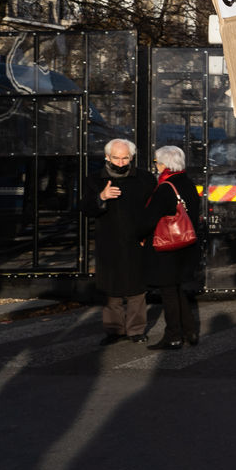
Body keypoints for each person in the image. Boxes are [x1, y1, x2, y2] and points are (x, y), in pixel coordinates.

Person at [82, 138, 154, 344]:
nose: (121, 163)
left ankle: (136, 330)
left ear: (131, 158)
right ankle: (114, 330)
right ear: (107, 157)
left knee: (136, 288)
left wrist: (146, 235)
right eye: (116, 158)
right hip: (109, 242)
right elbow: (85, 209)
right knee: (110, 288)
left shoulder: (145, 179)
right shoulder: (94, 179)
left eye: (125, 159)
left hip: (136, 240)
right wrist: (101, 197)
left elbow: (153, 210)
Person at [142, 146, 202, 350]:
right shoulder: (188, 183)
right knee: (177, 289)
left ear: (164, 164)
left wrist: (139, 235)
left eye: (157, 162)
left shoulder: (165, 187)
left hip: (167, 247)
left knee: (168, 292)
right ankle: (190, 330)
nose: (156, 166)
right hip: (185, 244)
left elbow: (149, 219)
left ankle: (173, 336)